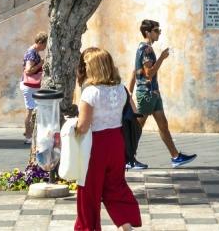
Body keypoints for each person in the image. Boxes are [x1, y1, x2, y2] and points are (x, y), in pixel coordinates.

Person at [73, 46, 142, 231]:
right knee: (115, 187)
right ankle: (126, 224)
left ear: (93, 67)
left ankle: (87, 228)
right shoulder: (122, 89)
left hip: (95, 145)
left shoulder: (90, 92)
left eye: (87, 65)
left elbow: (83, 126)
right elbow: (135, 114)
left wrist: (70, 126)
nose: (85, 68)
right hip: (117, 141)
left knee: (88, 190)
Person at [128, 20, 194, 170]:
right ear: (148, 33)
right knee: (138, 127)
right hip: (147, 94)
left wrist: (129, 91)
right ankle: (128, 158)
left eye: (159, 30)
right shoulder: (147, 50)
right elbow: (148, 73)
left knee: (163, 126)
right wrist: (162, 58)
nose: (159, 33)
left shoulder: (144, 48)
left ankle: (176, 156)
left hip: (153, 94)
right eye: (156, 30)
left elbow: (134, 72)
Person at [23, 32, 48, 142]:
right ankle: (28, 136)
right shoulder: (32, 53)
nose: (46, 47)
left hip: (31, 86)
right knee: (31, 111)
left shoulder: (33, 52)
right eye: (45, 44)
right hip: (30, 86)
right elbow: (28, 71)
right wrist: (40, 64)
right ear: (40, 43)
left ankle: (28, 133)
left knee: (32, 110)